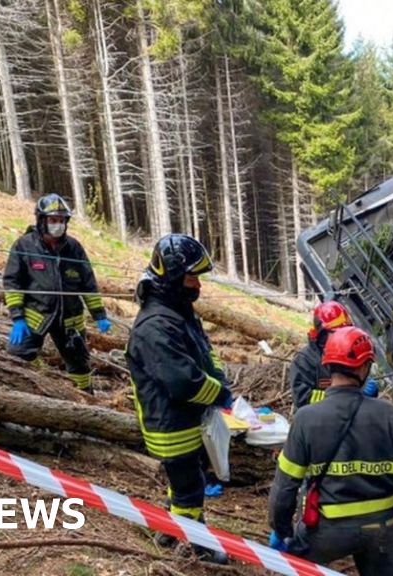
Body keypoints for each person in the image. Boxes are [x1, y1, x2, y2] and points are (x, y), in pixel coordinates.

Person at [268, 326, 393, 576]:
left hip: (326, 530)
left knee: (293, 567)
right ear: (363, 368)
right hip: (383, 530)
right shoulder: (387, 415)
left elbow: (285, 487)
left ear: (328, 365)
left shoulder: (306, 419)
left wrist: (281, 530)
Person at [125, 233, 232, 564]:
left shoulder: (177, 310)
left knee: (182, 481)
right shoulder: (156, 326)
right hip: (171, 426)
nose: (197, 284)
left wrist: (219, 378)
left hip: (183, 419)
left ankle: (169, 528)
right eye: (191, 277)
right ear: (172, 276)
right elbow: (183, 383)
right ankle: (197, 546)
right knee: (190, 488)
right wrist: (221, 394)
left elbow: (202, 352)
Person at [3, 194, 110, 393]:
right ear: (41, 220)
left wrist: (100, 315)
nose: (58, 225)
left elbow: (88, 284)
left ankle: (85, 397)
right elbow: (12, 283)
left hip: (70, 319)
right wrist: (17, 318)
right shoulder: (24, 245)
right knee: (17, 357)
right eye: (53, 220)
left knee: (79, 362)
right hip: (35, 316)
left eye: (61, 221)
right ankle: (23, 396)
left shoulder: (74, 248)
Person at [289, 301, 379, 411]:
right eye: (336, 333)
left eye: (345, 331)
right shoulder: (304, 360)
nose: (342, 337)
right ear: (321, 334)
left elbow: (357, 386)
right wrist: (337, 399)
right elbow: (302, 398)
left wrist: (367, 390)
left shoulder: (350, 352)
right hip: (318, 420)